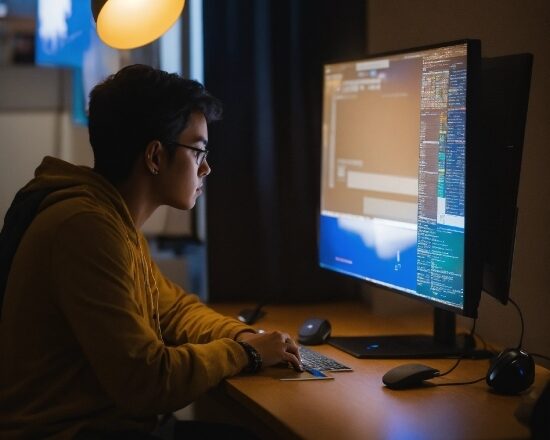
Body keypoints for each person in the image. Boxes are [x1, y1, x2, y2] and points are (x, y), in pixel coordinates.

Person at [0, 64, 302, 439]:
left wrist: (242, 337)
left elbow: (174, 310)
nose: (206, 167)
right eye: (198, 151)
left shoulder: (111, 217)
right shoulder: (83, 228)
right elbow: (147, 381)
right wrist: (246, 354)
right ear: (155, 157)